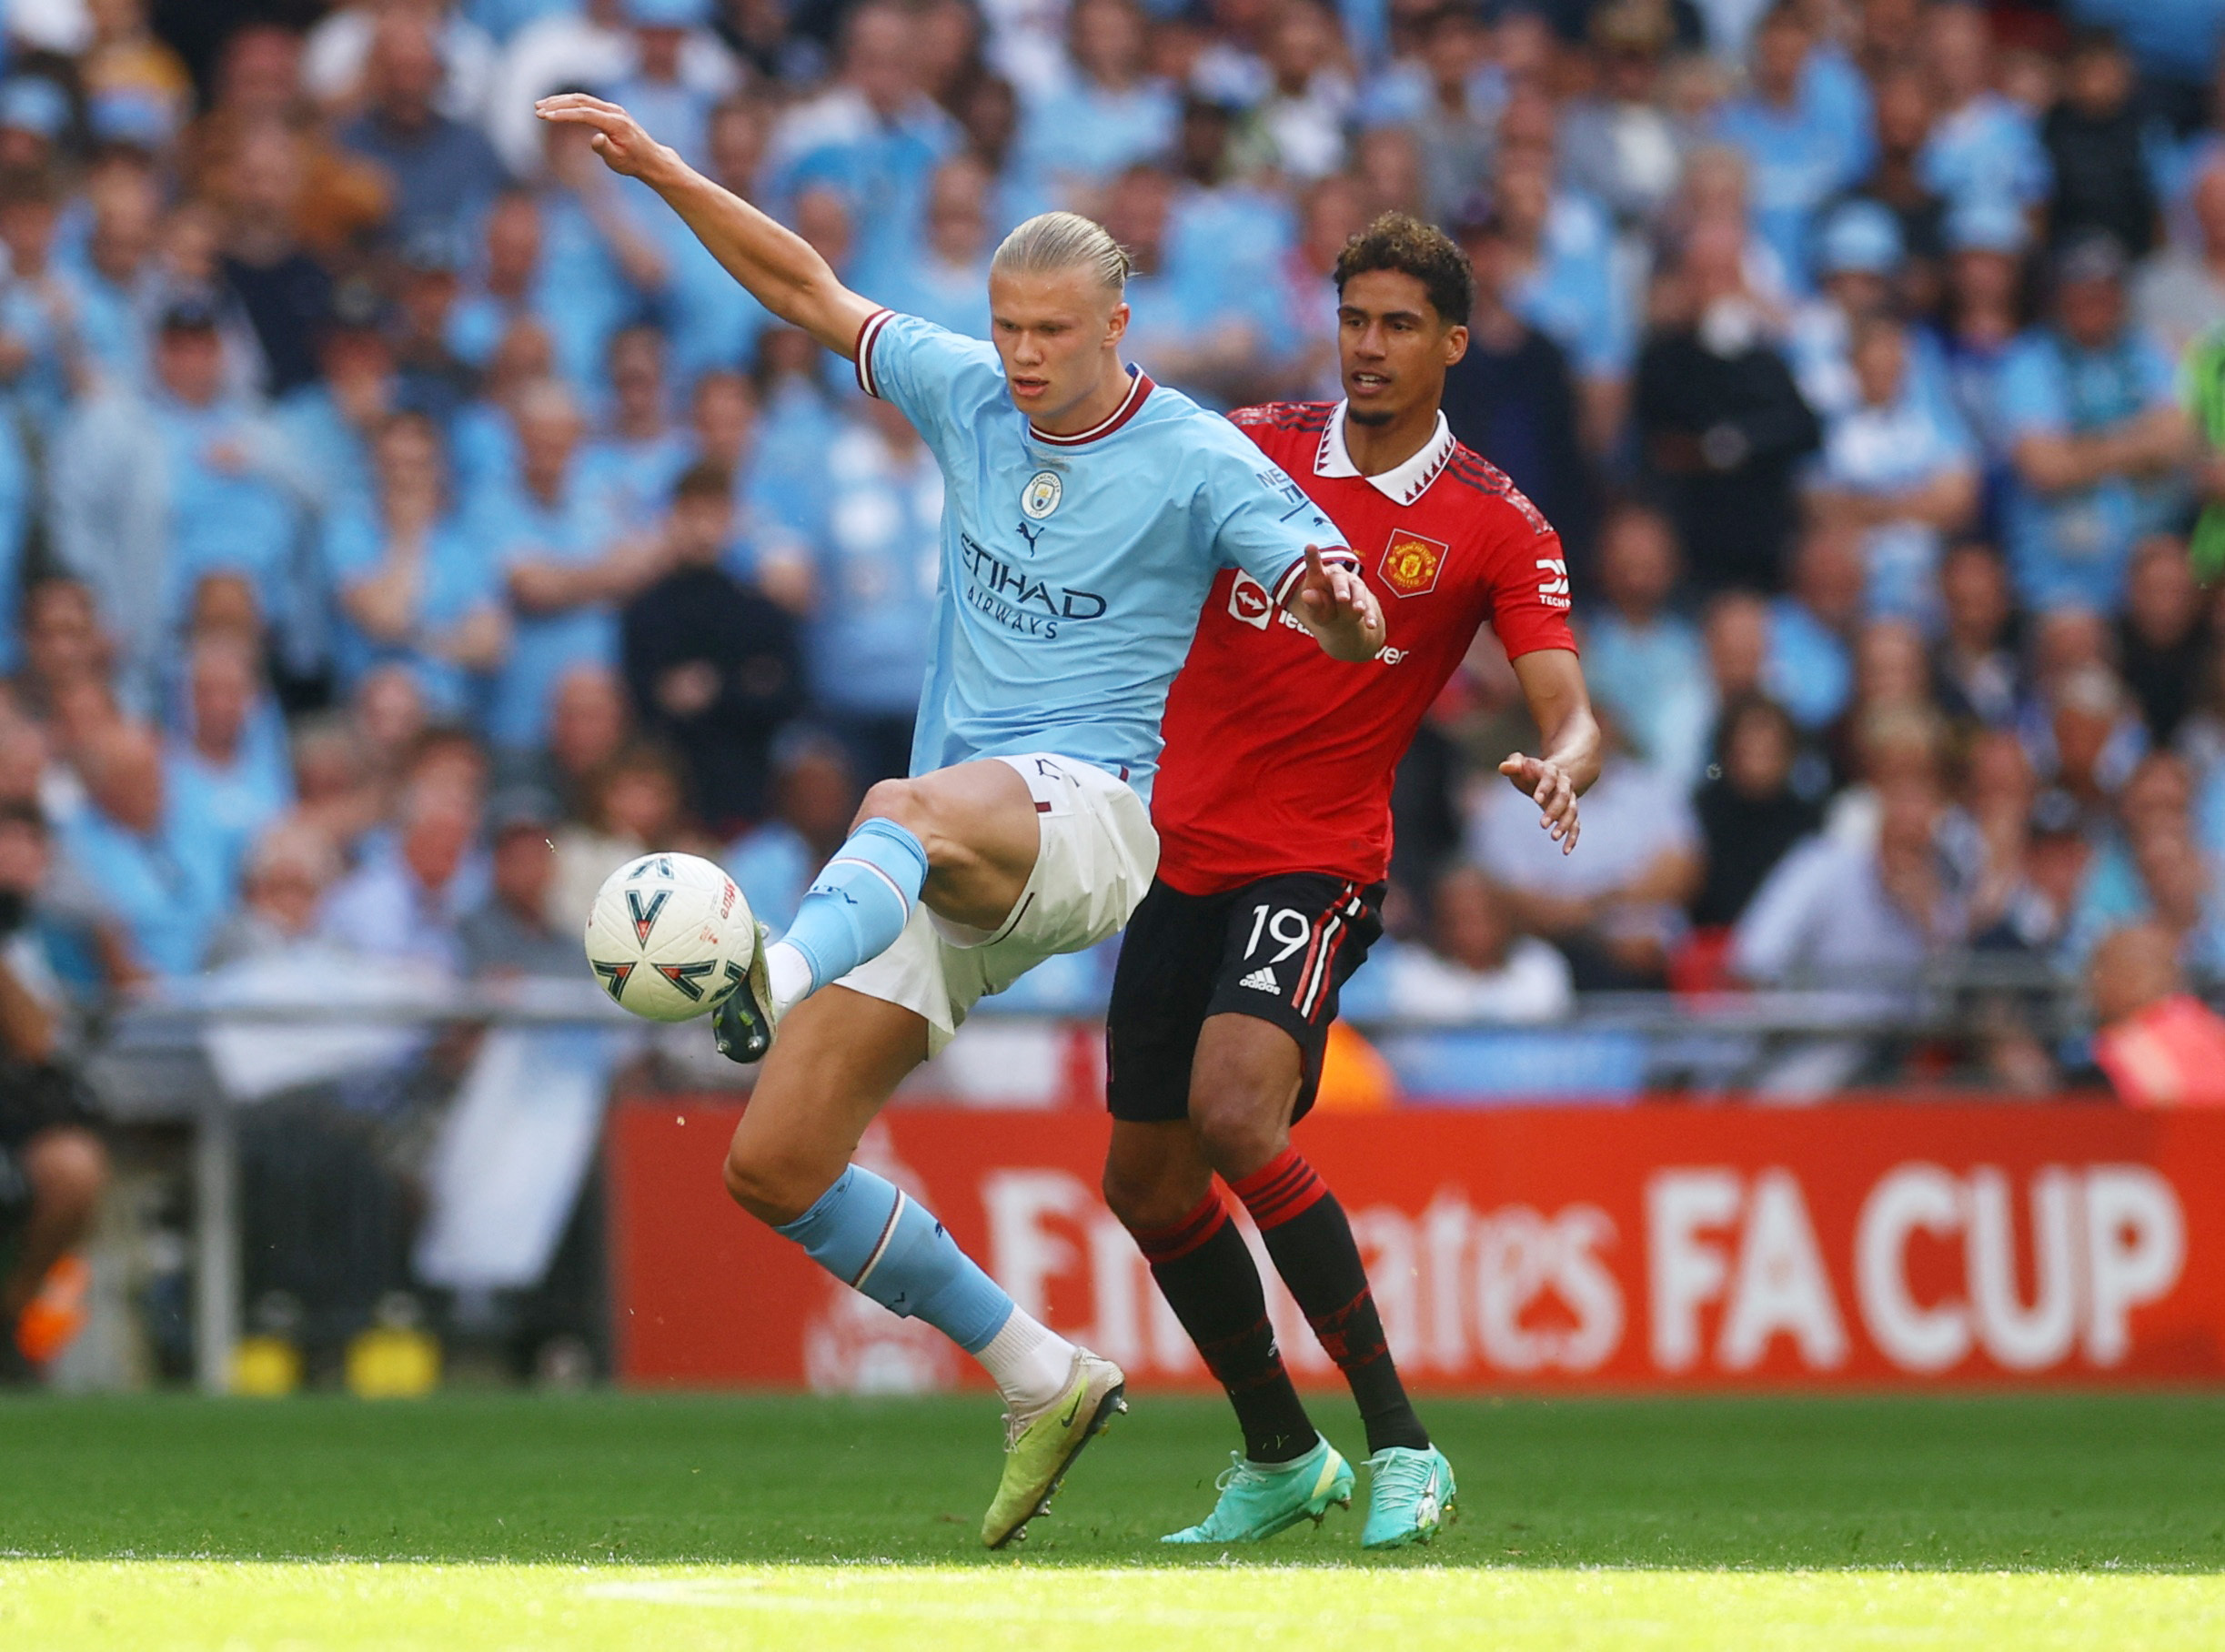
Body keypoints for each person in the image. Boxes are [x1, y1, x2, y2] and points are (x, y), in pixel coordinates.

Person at [536, 90, 1384, 1547]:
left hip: (1091, 822)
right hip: (946, 851)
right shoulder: (966, 394)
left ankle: (770, 972)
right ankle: (1038, 1371)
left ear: (1118, 321)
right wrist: (668, 166)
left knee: (899, 806)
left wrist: (1344, 610)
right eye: (1004, 327)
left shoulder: (1194, 456)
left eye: (1050, 332)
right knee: (775, 1164)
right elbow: (807, 285)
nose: (1023, 357)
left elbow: (1324, 587)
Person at [1100, 216, 1597, 1548]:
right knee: (1143, 1185)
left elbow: (1571, 706)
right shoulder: (1248, 445)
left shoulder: (1493, 523)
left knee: (1234, 1113)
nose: (1367, 347)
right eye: (1353, 319)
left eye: (1396, 326)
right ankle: (1276, 1452)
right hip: (1178, 851)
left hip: (1315, 863)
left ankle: (1403, 1446)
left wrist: (1564, 762)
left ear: (1451, 342)